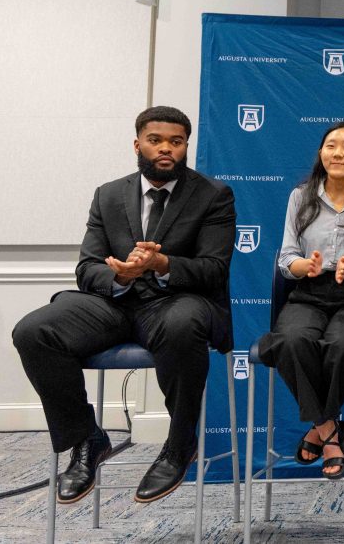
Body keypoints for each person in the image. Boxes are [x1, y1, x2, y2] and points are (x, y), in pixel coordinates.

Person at [13, 106, 236, 504]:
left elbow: (214, 270)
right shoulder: (109, 194)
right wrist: (120, 276)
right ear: (138, 144)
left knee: (185, 323)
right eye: (156, 140)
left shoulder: (212, 196)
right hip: (115, 304)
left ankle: (180, 442)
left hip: (175, 302)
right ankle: (86, 439)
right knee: (34, 331)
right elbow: (87, 268)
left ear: (186, 146)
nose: (166, 149)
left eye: (176, 142)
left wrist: (162, 264)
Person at [256, 123, 344, 478]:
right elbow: (286, 259)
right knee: (290, 340)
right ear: (321, 154)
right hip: (309, 293)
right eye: (330, 145)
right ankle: (331, 431)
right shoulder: (300, 197)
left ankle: (320, 429)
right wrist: (306, 266)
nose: (336, 152)